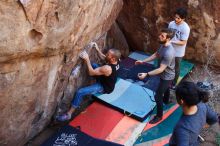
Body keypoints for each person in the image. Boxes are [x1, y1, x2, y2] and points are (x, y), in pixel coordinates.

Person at [56, 44, 121, 121]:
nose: (106, 54)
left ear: (113, 59)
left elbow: (91, 72)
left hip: (104, 87)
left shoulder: (107, 69)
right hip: (105, 79)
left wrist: (87, 59)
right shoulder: (117, 60)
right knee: (93, 65)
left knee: (80, 92)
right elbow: (105, 58)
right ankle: (93, 83)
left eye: (108, 54)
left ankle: (69, 114)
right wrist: (97, 50)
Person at [136, 28, 175, 124]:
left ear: (168, 39)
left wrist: (147, 74)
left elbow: (161, 69)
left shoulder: (169, 52)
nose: (159, 36)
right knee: (165, 89)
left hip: (167, 76)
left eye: (162, 36)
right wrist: (143, 61)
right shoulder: (163, 45)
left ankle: (159, 116)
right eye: (160, 35)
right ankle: (166, 101)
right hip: (163, 74)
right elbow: (156, 55)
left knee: (158, 96)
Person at [169, 81, 218, 146]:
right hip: (194, 141)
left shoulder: (182, 128)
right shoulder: (202, 105)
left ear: (181, 101)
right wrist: (200, 126)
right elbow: (214, 118)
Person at [168, 8, 190, 88]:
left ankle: (174, 82)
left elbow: (183, 42)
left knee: (177, 67)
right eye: (175, 17)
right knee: (168, 64)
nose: (176, 19)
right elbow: (169, 34)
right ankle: (167, 79)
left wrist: (172, 42)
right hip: (169, 48)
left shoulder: (185, 28)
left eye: (178, 18)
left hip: (178, 52)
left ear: (183, 18)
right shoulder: (171, 23)